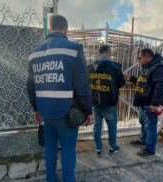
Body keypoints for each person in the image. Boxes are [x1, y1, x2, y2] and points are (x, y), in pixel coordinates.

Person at [26, 15, 92, 182]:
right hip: (67, 113)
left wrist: (36, 109)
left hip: (45, 112)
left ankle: (51, 179)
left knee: (49, 149)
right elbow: (82, 84)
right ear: (66, 30)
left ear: (50, 28)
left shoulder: (34, 53)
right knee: (68, 151)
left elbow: (30, 86)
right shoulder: (73, 48)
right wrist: (87, 110)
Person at [125, 48, 163, 157]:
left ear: (146, 56)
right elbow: (143, 83)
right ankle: (143, 140)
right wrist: (131, 78)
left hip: (150, 104)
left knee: (150, 126)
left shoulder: (159, 67)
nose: (138, 60)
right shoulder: (147, 68)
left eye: (139, 58)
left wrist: (154, 104)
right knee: (143, 123)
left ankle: (150, 149)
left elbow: (161, 87)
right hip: (143, 103)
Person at [88, 45, 125, 157]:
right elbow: (122, 83)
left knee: (97, 127)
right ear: (108, 53)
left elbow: (86, 83)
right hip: (110, 103)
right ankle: (112, 148)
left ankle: (98, 148)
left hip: (95, 102)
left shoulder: (90, 67)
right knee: (112, 127)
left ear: (99, 53)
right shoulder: (114, 67)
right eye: (110, 53)